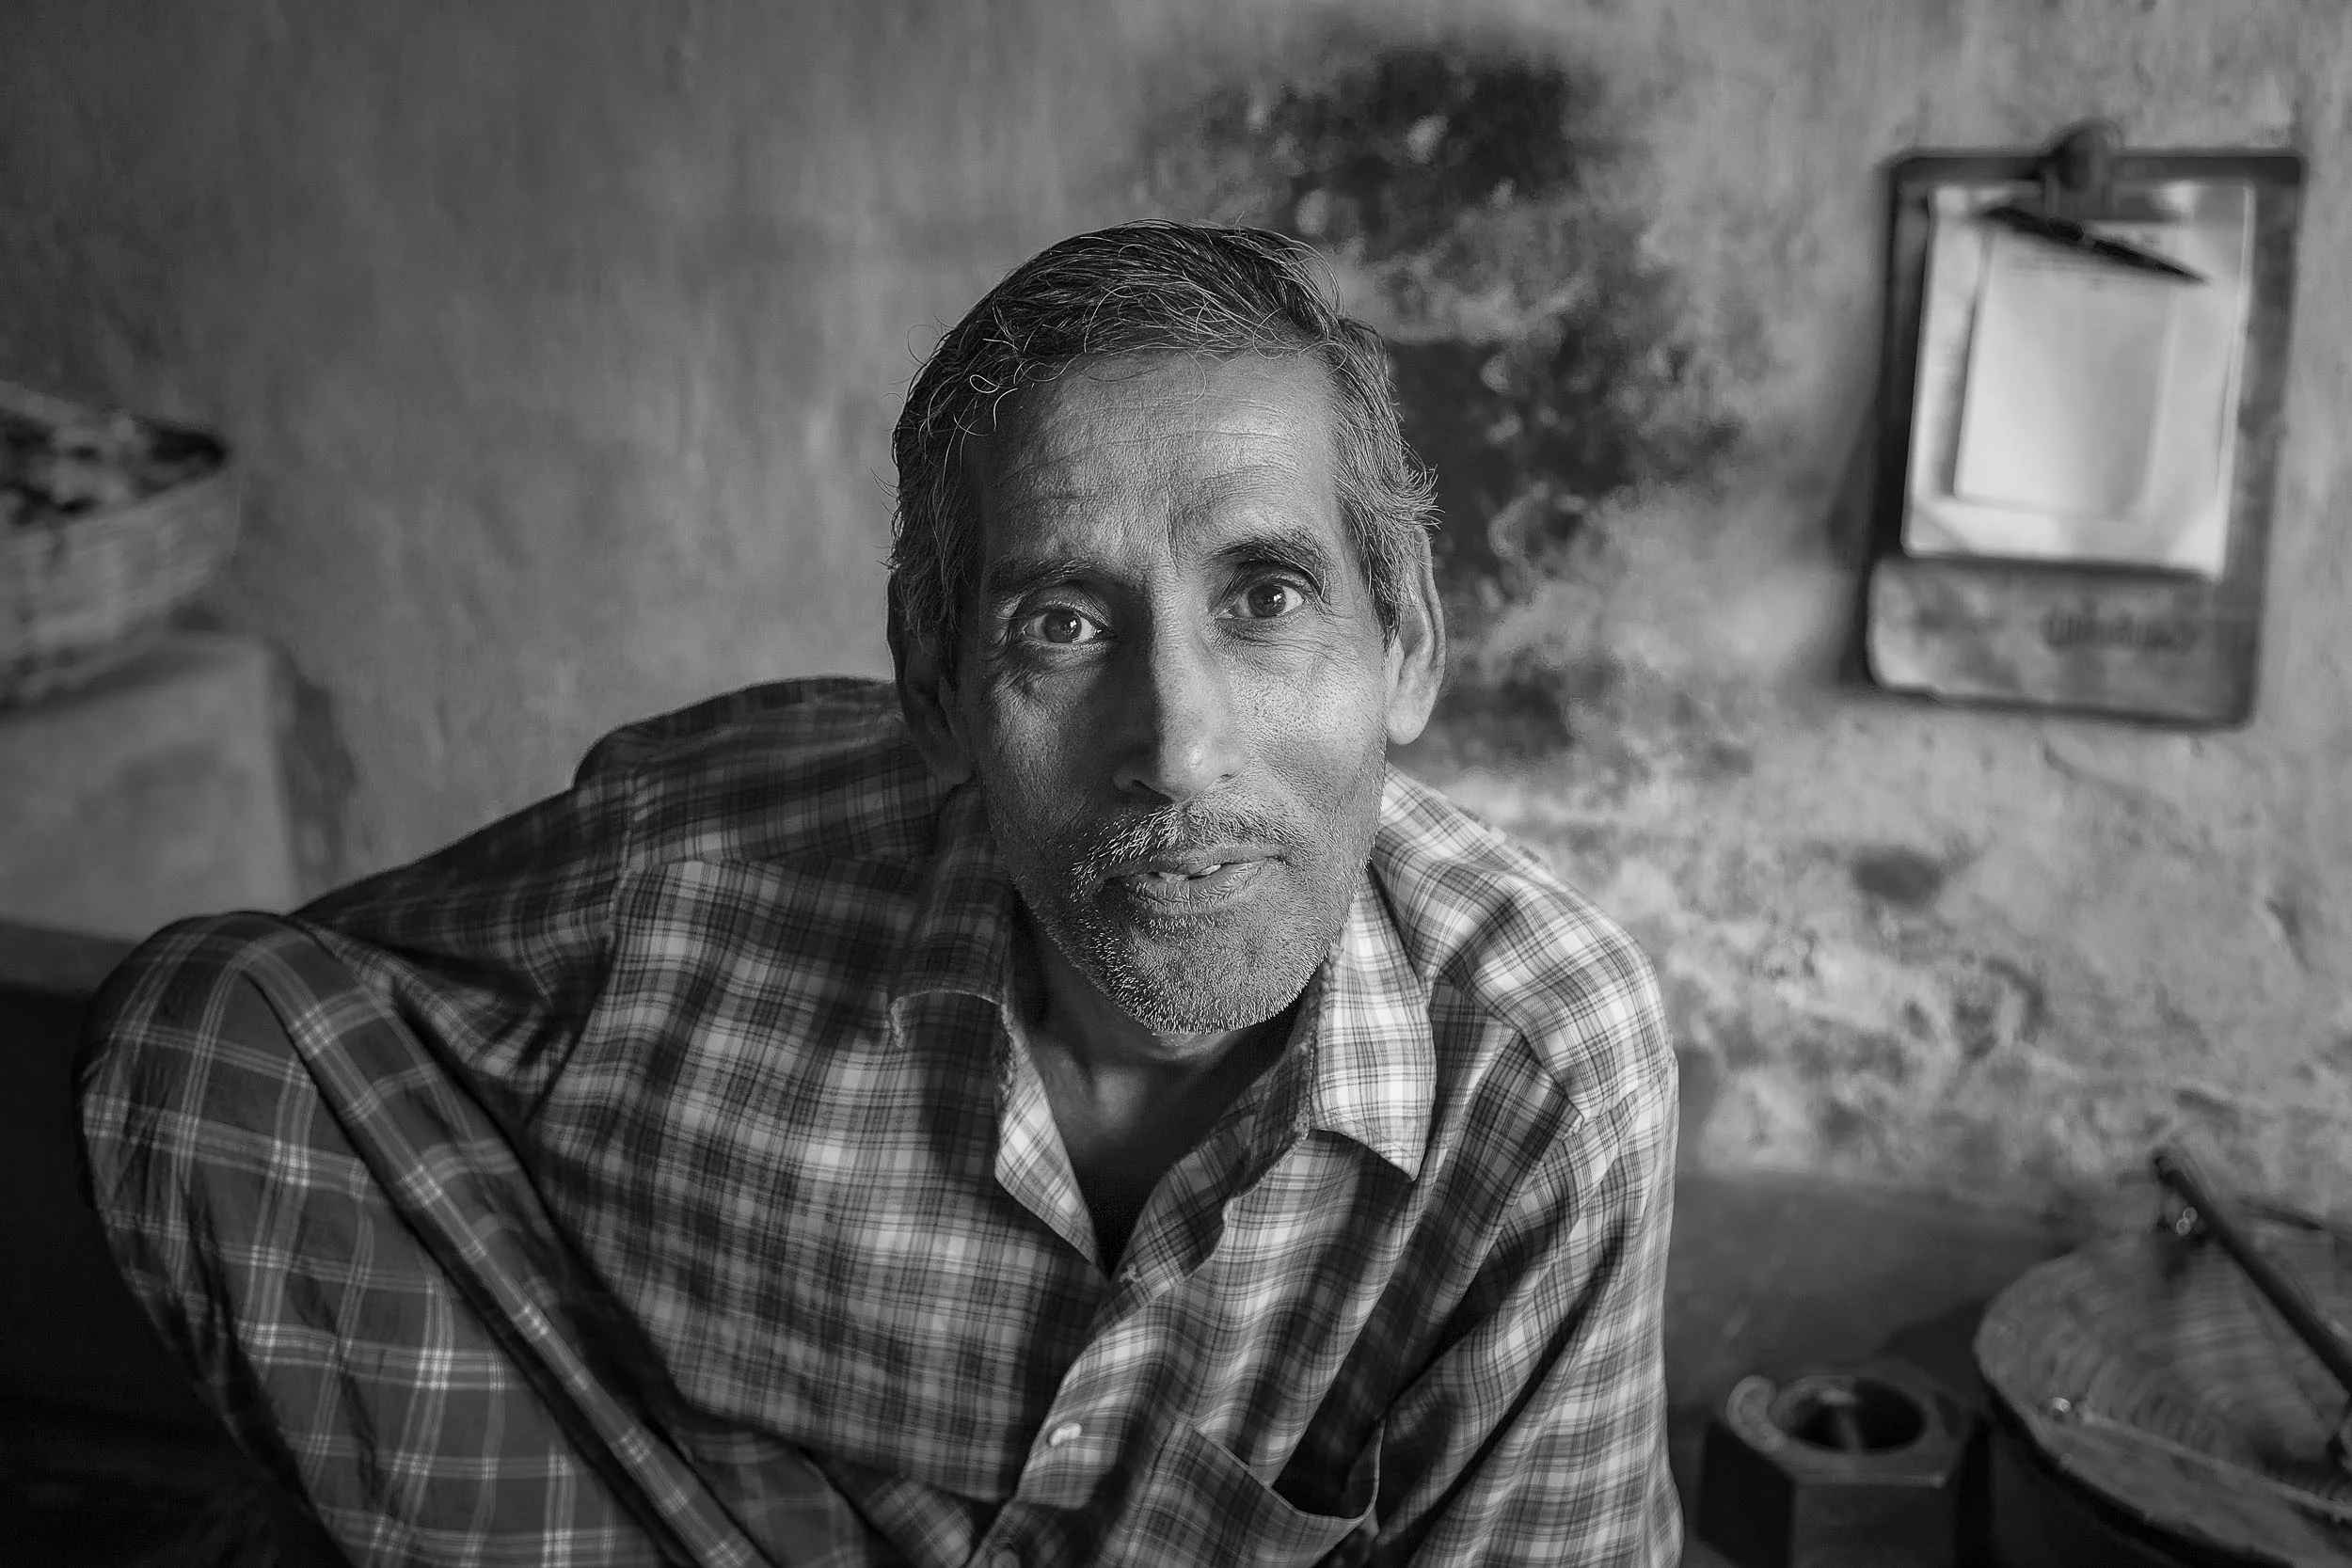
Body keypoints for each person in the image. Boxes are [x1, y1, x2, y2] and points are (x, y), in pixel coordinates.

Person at [76, 221, 1680, 1567]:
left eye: (1265, 598)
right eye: (1062, 623)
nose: (1178, 751)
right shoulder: (702, 853)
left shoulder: (1544, 1076)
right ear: (934, 688)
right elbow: (275, 1025)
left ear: (1404, 653)